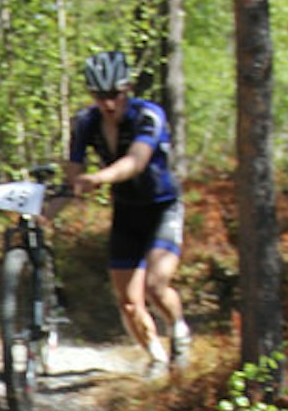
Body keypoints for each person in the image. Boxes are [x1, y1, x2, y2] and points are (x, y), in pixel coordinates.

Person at [64, 49, 192, 373]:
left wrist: (97, 178)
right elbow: (73, 172)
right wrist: (59, 199)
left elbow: (136, 161)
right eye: (100, 95)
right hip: (126, 212)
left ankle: (179, 331)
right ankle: (157, 358)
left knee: (156, 285)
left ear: (128, 89)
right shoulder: (85, 122)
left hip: (162, 208)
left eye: (115, 95)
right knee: (128, 300)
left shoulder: (148, 115)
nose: (108, 104)